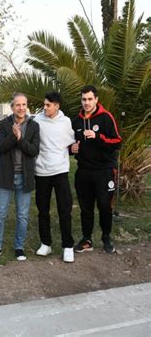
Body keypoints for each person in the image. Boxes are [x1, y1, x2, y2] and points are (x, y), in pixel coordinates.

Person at [0, 93, 40, 261]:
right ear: (12, 107)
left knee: (22, 215)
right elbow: (0, 148)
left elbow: (34, 150)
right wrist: (13, 136)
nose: (21, 108)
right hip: (6, 177)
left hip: (24, 177)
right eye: (17, 105)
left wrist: (20, 139)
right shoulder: (4, 124)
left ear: (27, 106)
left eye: (24, 104)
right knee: (1, 213)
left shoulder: (34, 126)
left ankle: (19, 247)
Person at [71, 85, 121, 254]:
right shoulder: (76, 121)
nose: (86, 103)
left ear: (96, 100)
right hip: (84, 171)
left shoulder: (106, 117)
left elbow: (117, 142)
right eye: (84, 99)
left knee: (104, 206)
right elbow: (70, 144)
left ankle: (106, 237)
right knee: (86, 208)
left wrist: (98, 137)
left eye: (90, 99)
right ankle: (87, 239)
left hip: (104, 171)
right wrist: (72, 149)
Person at [34, 92, 75, 263]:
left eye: (48, 105)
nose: (45, 107)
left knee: (64, 210)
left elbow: (71, 143)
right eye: (44, 104)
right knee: (43, 210)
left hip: (60, 171)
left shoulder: (66, 122)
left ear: (57, 106)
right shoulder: (37, 120)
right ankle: (46, 243)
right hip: (41, 172)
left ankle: (68, 247)